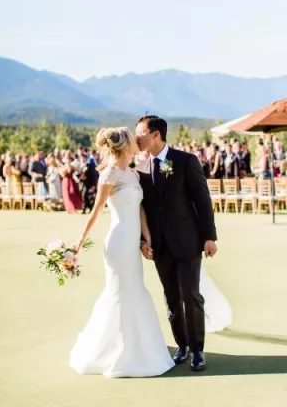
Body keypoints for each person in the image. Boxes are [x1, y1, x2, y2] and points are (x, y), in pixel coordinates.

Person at [70, 127, 175, 378]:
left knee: (135, 289)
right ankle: (113, 352)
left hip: (132, 243)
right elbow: (95, 211)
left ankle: (138, 349)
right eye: (133, 140)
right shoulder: (109, 174)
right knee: (118, 292)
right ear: (125, 146)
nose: (137, 142)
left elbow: (140, 211)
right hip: (117, 243)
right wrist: (79, 242)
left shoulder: (132, 174)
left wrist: (146, 239)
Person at [135, 115, 218, 371]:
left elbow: (203, 201)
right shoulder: (139, 168)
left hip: (188, 242)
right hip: (159, 247)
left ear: (156, 134)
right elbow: (142, 209)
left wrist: (209, 237)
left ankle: (198, 350)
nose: (136, 138)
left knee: (191, 296)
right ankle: (181, 345)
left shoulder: (185, 161)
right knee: (171, 298)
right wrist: (142, 240)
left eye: (140, 133)